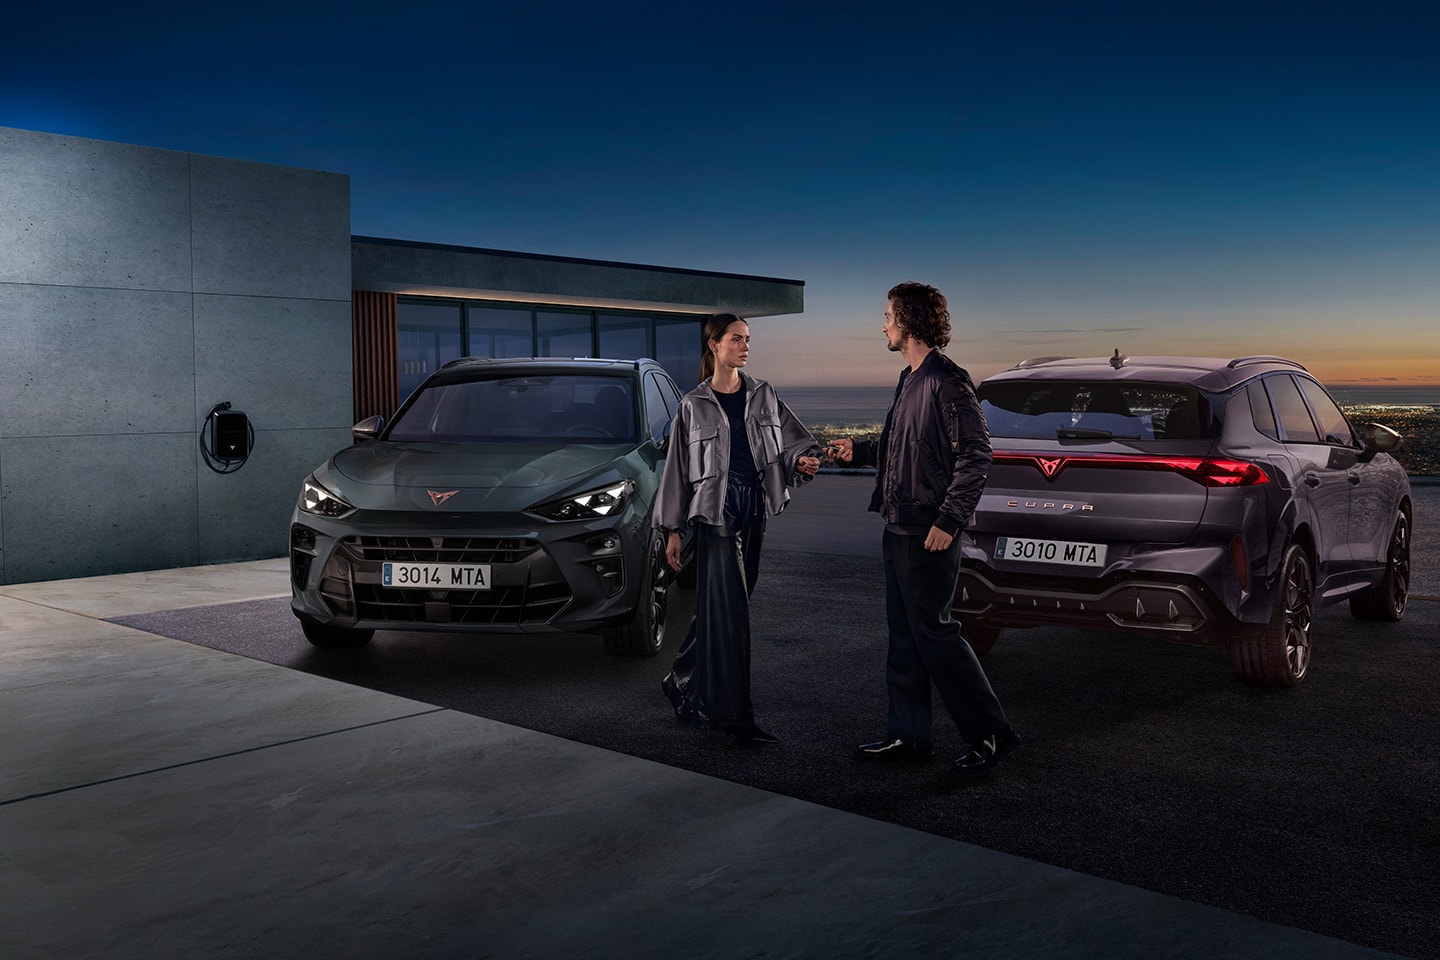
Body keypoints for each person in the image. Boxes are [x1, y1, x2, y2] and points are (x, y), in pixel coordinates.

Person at [829, 282, 1019, 777]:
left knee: (936, 635)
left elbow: (976, 455)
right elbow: (904, 446)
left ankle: (991, 734)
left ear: (909, 320)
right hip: (898, 527)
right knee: (905, 639)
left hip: (927, 532)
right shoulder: (909, 378)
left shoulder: (947, 380)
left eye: (889, 314)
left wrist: (949, 520)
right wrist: (860, 451)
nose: (883, 323)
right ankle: (908, 736)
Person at [653, 313, 823, 743]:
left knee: (724, 606)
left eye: (748, 339)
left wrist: (800, 460)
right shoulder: (693, 404)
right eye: (736, 339)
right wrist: (672, 529)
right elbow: (676, 470)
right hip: (716, 513)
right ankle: (731, 715)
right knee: (733, 616)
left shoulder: (764, 394)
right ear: (714, 345)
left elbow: (792, 440)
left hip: (754, 507)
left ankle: (680, 678)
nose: (745, 346)